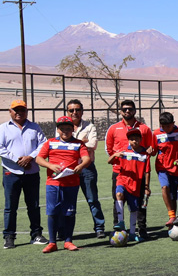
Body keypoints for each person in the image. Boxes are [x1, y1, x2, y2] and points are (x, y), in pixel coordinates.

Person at [0, 99, 48, 249]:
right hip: (11, 172)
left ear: (26, 111)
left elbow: (43, 144)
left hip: (32, 172)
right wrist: (17, 159)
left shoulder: (35, 127)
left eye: (22, 110)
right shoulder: (3, 129)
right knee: (10, 207)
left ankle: (36, 234)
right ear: (10, 112)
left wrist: (30, 157)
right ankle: (9, 237)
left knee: (34, 205)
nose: (19, 113)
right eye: (16, 110)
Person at [33, 115, 91, 252]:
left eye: (68, 129)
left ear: (73, 129)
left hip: (71, 183)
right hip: (53, 183)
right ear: (58, 130)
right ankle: (52, 243)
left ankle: (68, 241)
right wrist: (50, 165)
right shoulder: (50, 143)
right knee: (52, 212)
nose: (65, 131)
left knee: (69, 212)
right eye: (62, 129)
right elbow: (39, 159)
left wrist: (81, 166)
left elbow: (87, 158)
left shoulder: (79, 144)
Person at [105, 100, 155, 239]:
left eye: (130, 109)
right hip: (120, 171)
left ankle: (141, 229)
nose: (127, 111)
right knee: (118, 198)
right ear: (120, 111)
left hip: (138, 173)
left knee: (140, 203)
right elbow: (109, 149)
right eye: (124, 109)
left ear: (135, 110)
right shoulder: (113, 128)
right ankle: (118, 228)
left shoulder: (144, 129)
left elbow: (150, 149)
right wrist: (116, 159)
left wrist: (151, 150)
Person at [66, 99, 107, 238]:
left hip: (87, 168)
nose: (74, 112)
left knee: (92, 199)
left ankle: (99, 227)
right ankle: (64, 230)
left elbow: (93, 144)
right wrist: (81, 142)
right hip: (69, 169)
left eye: (77, 110)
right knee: (68, 201)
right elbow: (62, 146)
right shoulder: (62, 126)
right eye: (71, 110)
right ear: (67, 112)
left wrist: (72, 143)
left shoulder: (90, 126)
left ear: (82, 111)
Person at [108, 126, 152, 241]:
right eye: (132, 139)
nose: (134, 141)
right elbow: (109, 161)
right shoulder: (123, 151)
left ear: (140, 139)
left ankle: (132, 233)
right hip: (122, 180)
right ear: (128, 140)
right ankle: (121, 222)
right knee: (118, 194)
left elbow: (147, 171)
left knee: (133, 209)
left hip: (135, 184)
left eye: (136, 139)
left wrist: (146, 187)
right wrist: (114, 155)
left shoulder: (145, 154)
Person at [153, 112, 178, 227]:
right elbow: (154, 151)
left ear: (173, 123)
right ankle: (171, 215)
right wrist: (149, 150)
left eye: (168, 126)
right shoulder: (156, 133)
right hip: (161, 166)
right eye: (163, 126)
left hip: (175, 167)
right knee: (165, 187)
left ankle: (174, 220)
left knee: (173, 196)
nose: (166, 129)